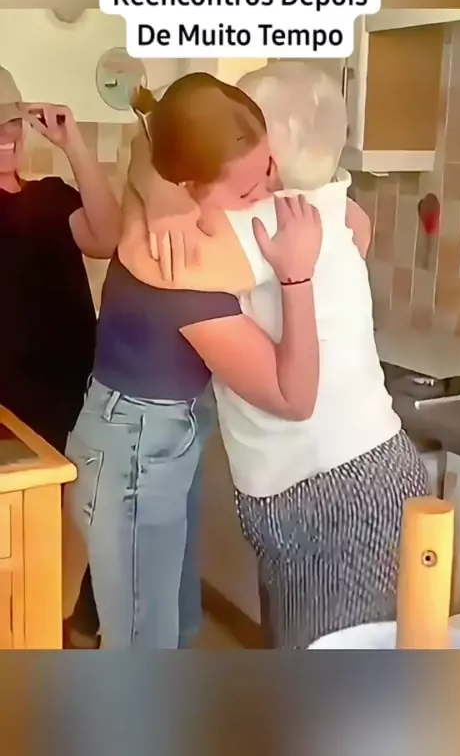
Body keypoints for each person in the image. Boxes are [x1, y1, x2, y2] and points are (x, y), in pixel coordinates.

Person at [127, 62, 430, 649]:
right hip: (338, 487)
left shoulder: (262, 222)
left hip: (343, 496)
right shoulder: (331, 197)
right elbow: (359, 231)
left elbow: (144, 254)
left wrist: (157, 194)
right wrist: (160, 179)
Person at [65, 72, 323, 649]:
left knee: (174, 627)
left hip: (146, 436)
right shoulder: (182, 264)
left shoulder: (164, 202)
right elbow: (293, 396)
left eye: (269, 168)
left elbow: (145, 142)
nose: (269, 190)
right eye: (248, 189)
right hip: (135, 450)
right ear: (190, 186)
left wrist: (156, 193)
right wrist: (298, 277)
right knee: (145, 644)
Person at [0, 65, 120, 649]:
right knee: (23, 542)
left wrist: (75, 145)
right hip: (12, 410)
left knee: (93, 520)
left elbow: (107, 236)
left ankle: (78, 629)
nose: (6, 137)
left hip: (78, 389)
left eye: (10, 122)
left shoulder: (51, 196)